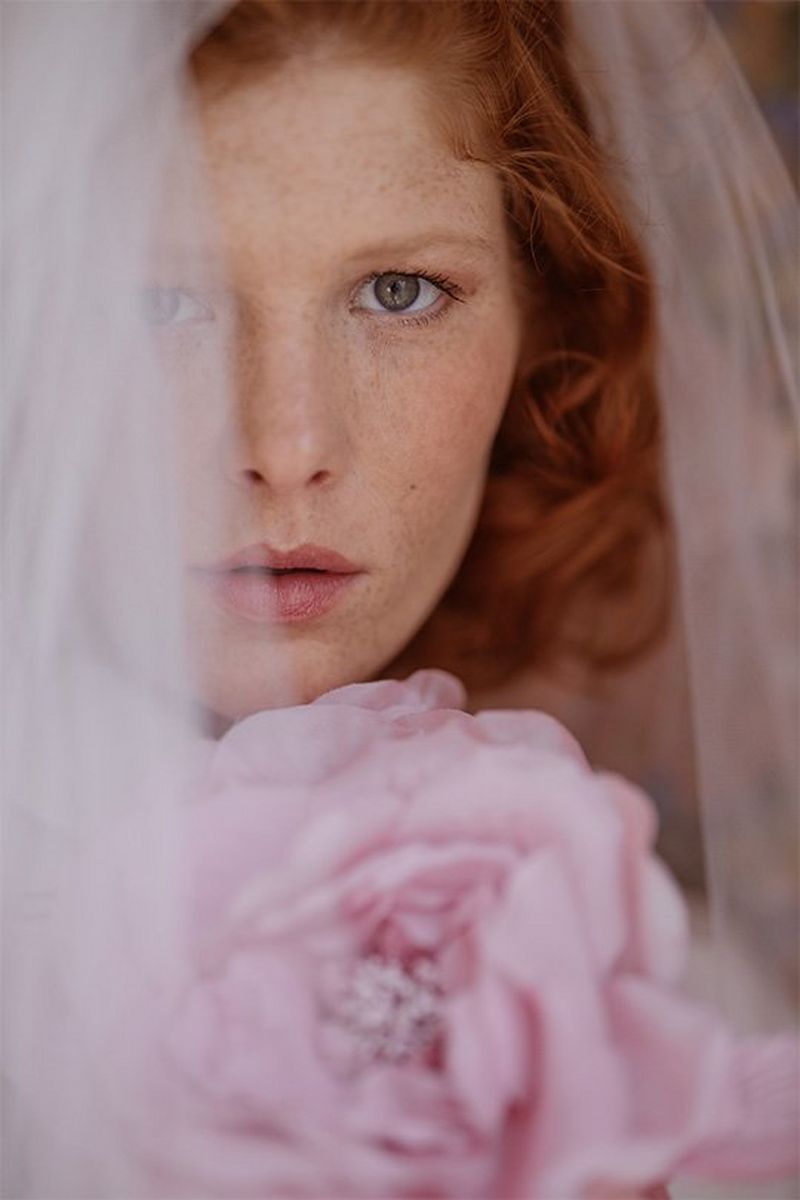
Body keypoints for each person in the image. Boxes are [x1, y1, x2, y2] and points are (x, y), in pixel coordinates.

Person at [2, 1, 796, 1197]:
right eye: (156, 302)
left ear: (542, 327)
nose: (287, 442)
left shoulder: (669, 1007)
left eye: (398, 294)